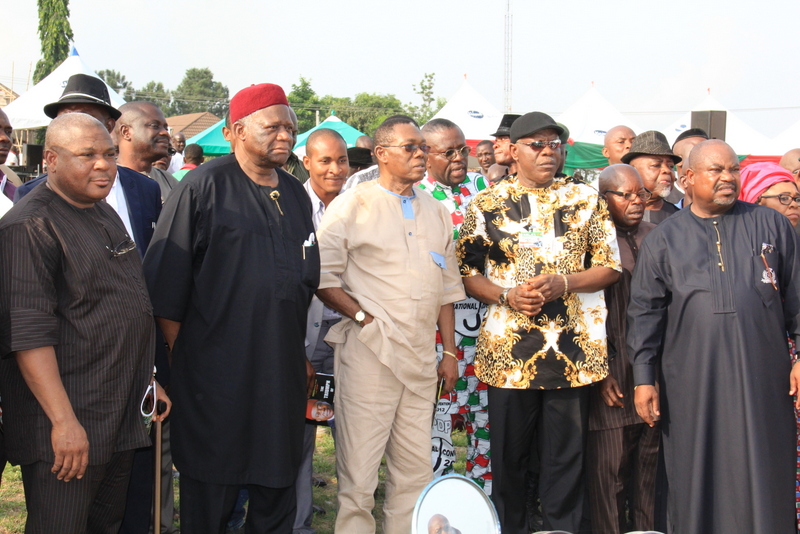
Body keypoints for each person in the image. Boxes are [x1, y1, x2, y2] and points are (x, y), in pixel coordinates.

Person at [144, 83, 318, 533]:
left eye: (290, 126)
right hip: (216, 382)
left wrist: (295, 355)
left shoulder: (296, 194)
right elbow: (165, 289)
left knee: (275, 492)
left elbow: (298, 284)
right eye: (272, 127)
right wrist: (194, 361)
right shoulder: (202, 186)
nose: (286, 135)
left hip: (279, 378)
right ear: (237, 131)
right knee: (212, 496)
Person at [0, 113, 169, 532]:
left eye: (110, 154)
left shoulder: (102, 213)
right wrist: (63, 423)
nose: (103, 165)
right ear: (51, 160)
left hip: (118, 415)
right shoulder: (30, 226)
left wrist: (147, 379)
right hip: (67, 425)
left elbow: (125, 305)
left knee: (104, 525)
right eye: (87, 155)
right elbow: (29, 338)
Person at [457, 111, 620, 534]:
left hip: (572, 353)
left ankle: (561, 529)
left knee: (566, 461)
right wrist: (506, 295)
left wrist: (565, 282)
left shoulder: (585, 199)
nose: (548, 152)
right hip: (510, 356)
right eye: (537, 144)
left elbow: (610, 267)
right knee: (509, 460)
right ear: (513, 151)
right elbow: (468, 274)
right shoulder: (486, 203)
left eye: (554, 144)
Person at [629, 139, 800, 534]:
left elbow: (796, 295)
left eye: (733, 169)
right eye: (716, 170)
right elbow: (645, 313)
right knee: (696, 470)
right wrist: (643, 377)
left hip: (764, 378)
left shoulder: (771, 225)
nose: (728, 177)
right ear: (688, 179)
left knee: (766, 467)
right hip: (692, 381)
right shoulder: (664, 239)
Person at [316, 115, 465, 534]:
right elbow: (322, 278)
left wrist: (449, 351)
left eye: (423, 147)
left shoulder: (436, 211)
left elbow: (447, 290)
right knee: (359, 476)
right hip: (370, 353)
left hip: (420, 361)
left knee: (414, 473)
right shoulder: (352, 205)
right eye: (410, 147)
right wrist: (364, 318)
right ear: (381, 154)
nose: (421, 155)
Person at [415, 119, 492, 492]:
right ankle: (438, 503)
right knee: (438, 419)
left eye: (463, 149)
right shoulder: (416, 197)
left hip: (487, 326)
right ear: (426, 155)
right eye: (449, 152)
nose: (460, 157)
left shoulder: (483, 187)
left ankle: (483, 500)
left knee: (485, 420)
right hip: (439, 331)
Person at [587, 164, 658, 534]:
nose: (636, 201)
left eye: (640, 193)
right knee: (610, 478)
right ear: (604, 198)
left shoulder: (659, 236)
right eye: (625, 194)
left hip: (655, 374)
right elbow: (582, 316)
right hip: (611, 376)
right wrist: (600, 372)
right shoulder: (591, 244)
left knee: (650, 478)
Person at [293, 128, 348, 534]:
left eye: (341, 160)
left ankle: (353, 519)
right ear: (307, 162)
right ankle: (299, 524)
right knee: (299, 439)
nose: (334, 169)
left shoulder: (360, 206)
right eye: (325, 160)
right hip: (304, 340)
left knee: (353, 436)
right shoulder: (289, 207)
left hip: (350, 336)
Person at [116, 102, 179, 203]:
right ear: (126, 132)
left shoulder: (170, 182)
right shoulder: (108, 180)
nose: (165, 133)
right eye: (155, 126)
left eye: (165, 128)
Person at [622, 130, 680, 224]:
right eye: (656, 165)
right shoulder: (612, 216)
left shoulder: (681, 219)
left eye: (671, 166)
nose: (667, 170)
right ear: (633, 171)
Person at [739, 162, 800, 227]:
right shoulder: (736, 232)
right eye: (784, 198)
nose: (794, 204)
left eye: (798, 199)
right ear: (756, 201)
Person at [670, 128, 708, 208]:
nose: (706, 158)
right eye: (698, 152)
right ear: (679, 160)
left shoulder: (716, 197)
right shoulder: (663, 198)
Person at [491, 113, 520, 178]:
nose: (495, 146)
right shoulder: (499, 183)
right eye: (496, 141)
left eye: (502, 139)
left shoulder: (538, 181)